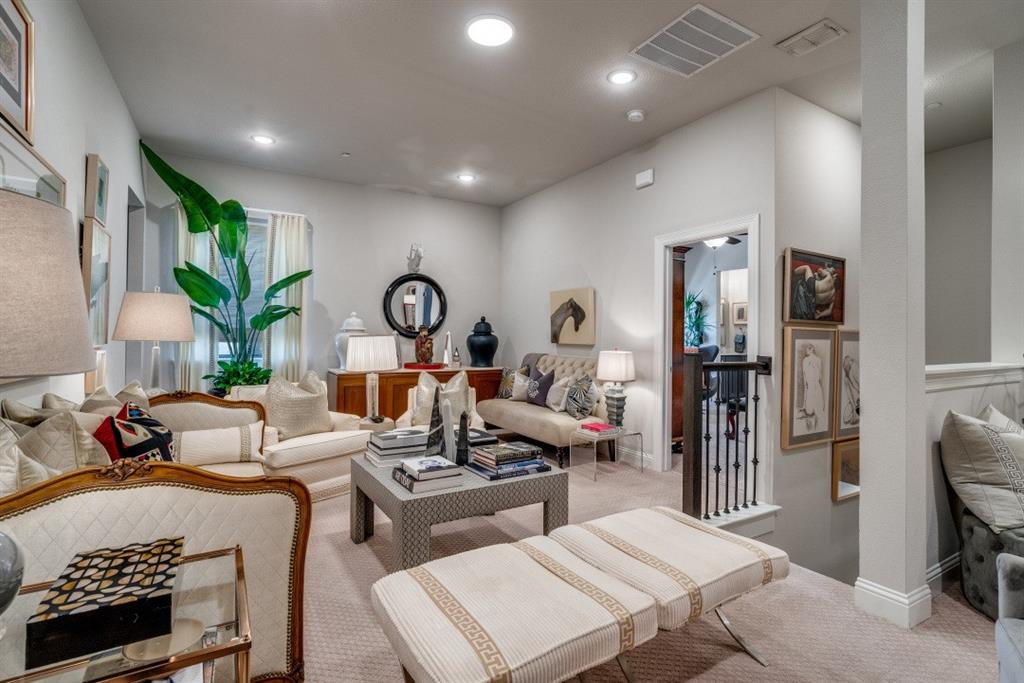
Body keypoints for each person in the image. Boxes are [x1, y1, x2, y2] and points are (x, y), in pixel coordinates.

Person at [801, 344, 825, 431]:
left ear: (811, 349)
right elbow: (820, 376)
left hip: (812, 386)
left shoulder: (806, 360)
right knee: (815, 411)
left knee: (811, 411)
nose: (806, 351)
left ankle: (813, 429)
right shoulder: (817, 360)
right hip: (814, 386)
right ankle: (814, 429)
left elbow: (805, 377)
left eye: (807, 349)